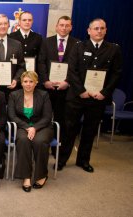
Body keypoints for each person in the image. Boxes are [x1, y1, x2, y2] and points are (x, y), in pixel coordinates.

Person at [58, 18, 122, 173]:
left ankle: (83, 160)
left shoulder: (113, 49)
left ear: (106, 30)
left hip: (97, 98)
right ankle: (62, 160)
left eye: (101, 28)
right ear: (89, 31)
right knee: (69, 129)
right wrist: (81, 91)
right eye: (96, 28)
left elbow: (116, 74)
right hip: (77, 97)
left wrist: (104, 93)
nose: (99, 31)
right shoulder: (79, 47)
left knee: (89, 130)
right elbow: (72, 70)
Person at [37, 16, 79, 156]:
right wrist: (45, 81)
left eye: (67, 25)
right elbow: (41, 62)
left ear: (71, 27)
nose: (64, 28)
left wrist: (67, 81)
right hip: (47, 88)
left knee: (63, 121)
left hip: (66, 89)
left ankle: (58, 150)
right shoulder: (46, 42)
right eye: (61, 25)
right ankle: (44, 146)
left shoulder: (77, 43)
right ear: (56, 26)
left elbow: (77, 67)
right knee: (45, 118)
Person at [8, 71, 53, 192]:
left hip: (42, 126)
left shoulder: (44, 95)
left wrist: (35, 128)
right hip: (23, 126)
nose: (28, 84)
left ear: (36, 82)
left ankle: (42, 175)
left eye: (31, 81)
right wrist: (27, 127)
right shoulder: (14, 95)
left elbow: (47, 117)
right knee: (23, 140)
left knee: (40, 141)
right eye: (25, 81)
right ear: (21, 83)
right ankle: (26, 176)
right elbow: (12, 116)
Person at [0, 14, 26, 99]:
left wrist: (16, 80)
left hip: (11, 90)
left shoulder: (17, 44)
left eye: (5, 23)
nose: (3, 26)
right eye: (0, 24)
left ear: (8, 25)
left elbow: (21, 66)